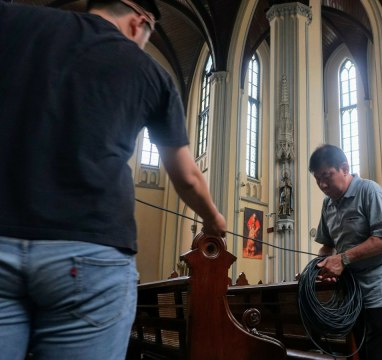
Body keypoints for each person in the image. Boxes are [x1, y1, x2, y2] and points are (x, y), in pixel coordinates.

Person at [0, 1, 226, 359]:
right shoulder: (151, 73)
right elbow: (186, 176)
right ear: (139, 22)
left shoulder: (18, 19)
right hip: (91, 250)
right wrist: (214, 219)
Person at [309, 144, 382, 360]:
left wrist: (344, 258)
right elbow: (327, 246)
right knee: (364, 354)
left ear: (345, 168)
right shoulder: (328, 204)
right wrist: (314, 270)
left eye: (327, 176)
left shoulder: (369, 190)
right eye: (317, 178)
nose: (322, 184)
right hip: (356, 294)